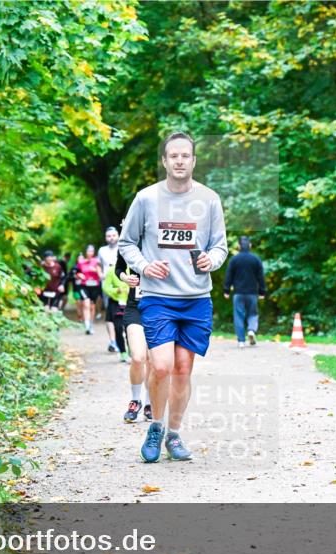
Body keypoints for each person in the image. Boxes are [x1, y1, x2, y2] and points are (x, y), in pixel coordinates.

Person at [118, 131, 228, 463]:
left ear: (193, 161)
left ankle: (174, 435)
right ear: (164, 161)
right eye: (173, 156)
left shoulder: (209, 199)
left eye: (185, 155)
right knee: (161, 366)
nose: (179, 160)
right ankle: (156, 426)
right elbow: (127, 244)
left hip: (195, 298)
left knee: (182, 369)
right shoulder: (146, 198)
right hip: (158, 297)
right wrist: (145, 265)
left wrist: (214, 259)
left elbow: (220, 245)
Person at [115, 234, 152, 423]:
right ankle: (135, 400)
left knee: (153, 360)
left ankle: (149, 403)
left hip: (159, 307)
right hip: (135, 307)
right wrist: (125, 277)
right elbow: (119, 268)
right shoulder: (131, 243)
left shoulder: (162, 240)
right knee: (138, 357)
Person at [222, 235, 266, 348]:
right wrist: (262, 292)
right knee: (253, 314)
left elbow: (228, 276)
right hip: (252, 293)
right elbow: (261, 277)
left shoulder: (234, 260)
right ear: (250, 245)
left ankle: (241, 341)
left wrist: (226, 290)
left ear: (238, 246)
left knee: (239, 316)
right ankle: (251, 330)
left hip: (238, 293)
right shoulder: (256, 259)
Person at [99, 226, 121, 352]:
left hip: (123, 285)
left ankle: (123, 339)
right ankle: (113, 342)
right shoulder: (102, 250)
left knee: (125, 312)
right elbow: (98, 264)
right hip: (107, 286)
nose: (111, 238)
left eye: (113, 235)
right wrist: (100, 274)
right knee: (110, 313)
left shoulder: (123, 247)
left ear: (117, 236)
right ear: (106, 238)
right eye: (109, 236)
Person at [102, 261, 129, 362]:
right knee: (118, 328)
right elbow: (105, 287)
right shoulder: (112, 270)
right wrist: (116, 290)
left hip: (130, 303)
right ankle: (123, 352)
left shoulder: (133, 268)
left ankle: (132, 350)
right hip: (116, 302)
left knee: (130, 329)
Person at [75, 246, 102, 334]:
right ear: (86, 252)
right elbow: (76, 272)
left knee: (92, 306)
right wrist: (79, 275)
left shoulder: (96, 261)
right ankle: (87, 326)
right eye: (88, 251)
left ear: (93, 252)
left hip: (94, 286)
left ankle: (90, 324)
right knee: (86, 303)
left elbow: (101, 274)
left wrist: (95, 270)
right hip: (84, 285)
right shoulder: (81, 262)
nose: (90, 252)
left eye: (92, 251)